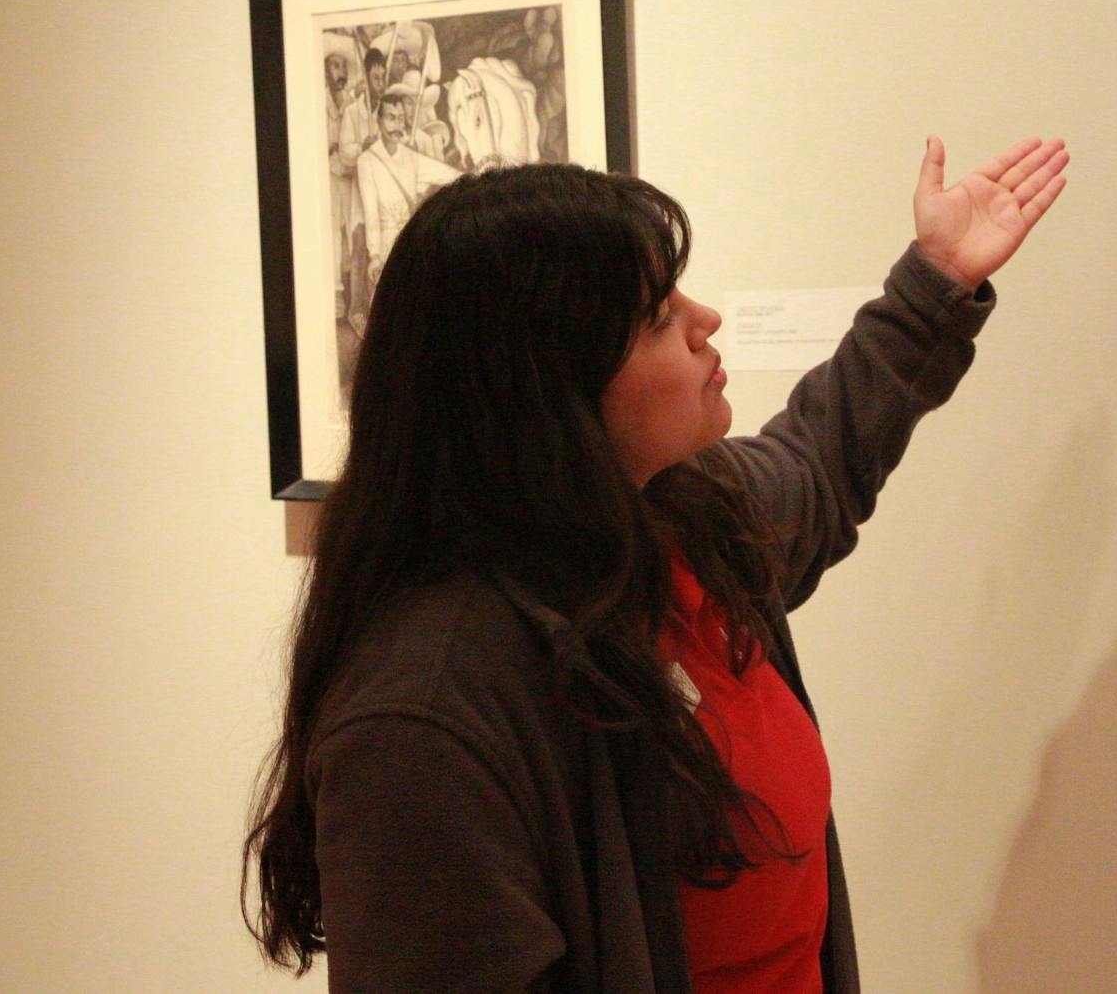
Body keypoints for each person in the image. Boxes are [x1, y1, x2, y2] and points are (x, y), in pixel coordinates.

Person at [244, 136, 1068, 992]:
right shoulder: (422, 719)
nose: (705, 321)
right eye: (658, 317)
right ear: (550, 389)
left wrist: (935, 281)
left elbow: (819, 460)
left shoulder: (677, 518)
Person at [346, 84, 464, 328]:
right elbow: (371, 211)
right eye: (390, 118)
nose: (397, 124)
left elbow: (448, 174)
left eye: (400, 118)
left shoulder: (411, 158)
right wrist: (375, 255)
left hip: (411, 243)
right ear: (379, 121)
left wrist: (475, 176)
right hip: (386, 247)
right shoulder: (367, 161)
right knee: (389, 317)